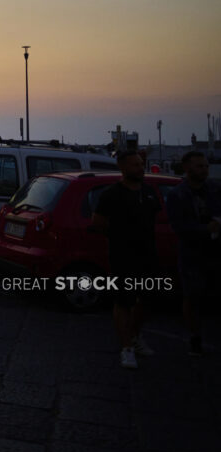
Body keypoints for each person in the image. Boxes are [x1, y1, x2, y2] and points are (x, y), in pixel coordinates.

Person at [92, 150, 162, 368]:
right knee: (123, 302)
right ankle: (127, 348)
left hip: (148, 256)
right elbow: (98, 223)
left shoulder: (149, 192)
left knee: (147, 300)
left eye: (141, 164)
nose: (140, 168)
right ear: (122, 167)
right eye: (134, 165)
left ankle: (134, 336)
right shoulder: (112, 194)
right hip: (123, 257)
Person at [166, 151, 221, 355]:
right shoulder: (177, 194)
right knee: (192, 297)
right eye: (199, 166)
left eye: (206, 166)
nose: (204, 170)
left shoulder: (216, 189)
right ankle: (195, 338)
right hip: (193, 254)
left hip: (216, 251)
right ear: (187, 168)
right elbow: (179, 226)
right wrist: (206, 229)